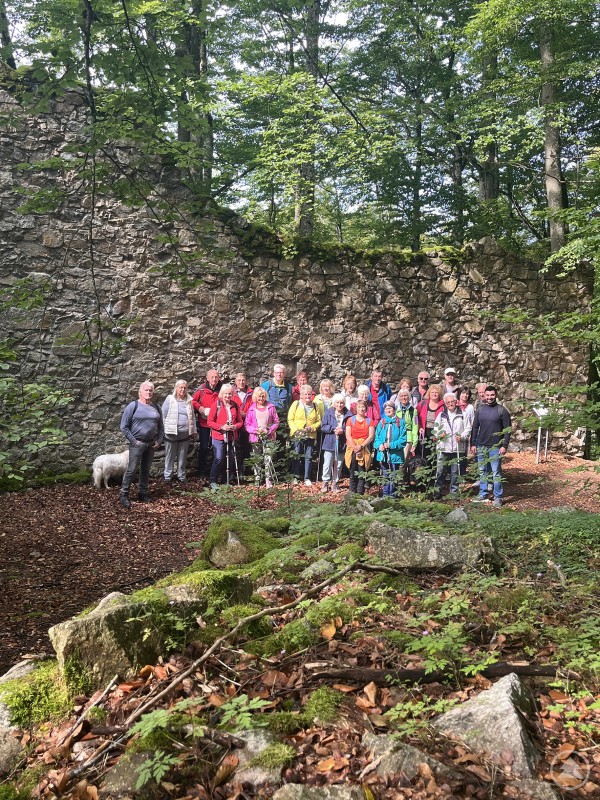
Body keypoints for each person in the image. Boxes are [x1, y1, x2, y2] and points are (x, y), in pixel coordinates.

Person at [119, 381, 164, 509]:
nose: (148, 392)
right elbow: (124, 427)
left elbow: (161, 427)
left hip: (151, 444)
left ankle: (142, 493)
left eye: (150, 390)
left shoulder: (156, 407)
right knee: (132, 469)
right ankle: (124, 494)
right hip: (137, 443)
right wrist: (134, 441)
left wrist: (159, 440)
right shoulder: (133, 406)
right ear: (140, 392)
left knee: (145, 469)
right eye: (146, 390)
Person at [470, 386, 512, 508]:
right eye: (487, 395)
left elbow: (507, 430)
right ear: (484, 396)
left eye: (492, 395)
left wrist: (504, 445)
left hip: (495, 447)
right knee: (482, 471)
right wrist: (473, 443)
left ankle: (498, 497)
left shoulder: (502, 410)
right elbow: (475, 427)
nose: (489, 397)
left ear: (496, 395)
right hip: (481, 446)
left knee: (496, 473)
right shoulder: (480, 410)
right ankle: (483, 494)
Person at [432, 392, 471, 499]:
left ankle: (454, 493)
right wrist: (440, 434)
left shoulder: (463, 414)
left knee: (455, 471)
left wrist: (462, 436)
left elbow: (468, 428)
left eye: (452, 401)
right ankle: (437, 492)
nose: (450, 404)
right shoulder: (441, 415)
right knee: (440, 471)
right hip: (443, 446)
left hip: (457, 447)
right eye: (447, 402)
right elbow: (435, 430)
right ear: (445, 403)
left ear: (455, 402)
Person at [207, 383, 243, 489]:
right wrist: (221, 427)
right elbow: (210, 421)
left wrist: (235, 427)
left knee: (231, 458)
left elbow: (240, 422)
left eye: (230, 394)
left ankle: (225, 480)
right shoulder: (217, 404)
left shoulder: (235, 405)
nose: (227, 396)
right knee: (219, 458)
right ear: (222, 394)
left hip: (231, 436)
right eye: (226, 394)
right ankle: (213, 480)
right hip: (218, 436)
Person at [244, 387, 280, 488]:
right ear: (255, 397)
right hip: (255, 437)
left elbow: (276, 421)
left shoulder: (271, 407)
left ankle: (268, 479)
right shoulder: (251, 409)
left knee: (268, 458)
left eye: (263, 396)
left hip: (269, 436)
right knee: (257, 458)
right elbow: (247, 424)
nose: (261, 398)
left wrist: (269, 430)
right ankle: (257, 478)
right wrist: (256, 431)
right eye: (259, 396)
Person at [162, 379, 196, 483]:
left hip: (185, 433)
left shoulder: (189, 401)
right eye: (181, 387)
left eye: (185, 388)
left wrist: (194, 430)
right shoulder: (170, 399)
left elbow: (192, 417)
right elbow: (163, 415)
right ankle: (168, 476)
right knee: (170, 455)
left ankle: (181, 476)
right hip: (171, 433)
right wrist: (164, 429)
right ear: (176, 388)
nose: (183, 389)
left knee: (182, 456)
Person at [288, 385, 322, 486]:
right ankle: (295, 476)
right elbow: (290, 419)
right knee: (297, 454)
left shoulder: (315, 406)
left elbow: (319, 421)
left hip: (310, 435)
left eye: (309, 394)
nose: (307, 396)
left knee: (308, 456)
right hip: (298, 435)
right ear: (301, 395)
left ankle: (306, 477)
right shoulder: (296, 404)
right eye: (305, 394)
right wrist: (296, 430)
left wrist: (313, 427)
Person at [192, 369, 222, 477]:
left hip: (217, 424)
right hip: (204, 423)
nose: (214, 379)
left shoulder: (221, 389)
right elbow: (193, 401)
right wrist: (200, 408)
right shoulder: (201, 390)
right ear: (208, 378)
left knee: (216, 448)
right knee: (204, 447)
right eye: (212, 377)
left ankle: (214, 472)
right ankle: (201, 471)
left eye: (216, 377)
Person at [374, 401, 407, 496]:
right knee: (385, 475)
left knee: (394, 476)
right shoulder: (382, 422)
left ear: (394, 409)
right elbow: (377, 438)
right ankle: (385, 496)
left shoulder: (400, 422)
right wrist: (379, 445)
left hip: (395, 455)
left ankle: (393, 497)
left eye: (390, 408)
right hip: (383, 455)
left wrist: (390, 445)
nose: (388, 410)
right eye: (386, 409)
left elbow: (403, 440)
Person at [345, 399, 375, 495]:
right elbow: (348, 435)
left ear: (366, 408)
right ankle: (352, 493)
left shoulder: (369, 421)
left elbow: (371, 437)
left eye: (363, 407)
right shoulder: (351, 420)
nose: (361, 409)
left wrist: (361, 447)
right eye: (359, 407)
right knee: (352, 471)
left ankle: (360, 494)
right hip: (352, 447)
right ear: (356, 408)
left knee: (362, 472)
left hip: (364, 448)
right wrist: (355, 447)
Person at [320, 393, 349, 493]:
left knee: (338, 464)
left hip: (341, 443)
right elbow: (323, 426)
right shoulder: (328, 413)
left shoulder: (348, 414)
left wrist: (343, 430)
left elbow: (350, 427)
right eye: (337, 402)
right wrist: (333, 429)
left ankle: (335, 483)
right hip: (329, 442)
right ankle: (325, 482)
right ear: (334, 403)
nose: (340, 405)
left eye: (342, 403)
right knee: (327, 464)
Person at [416, 383, 445, 460]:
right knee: (425, 454)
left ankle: (435, 472)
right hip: (424, 432)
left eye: (436, 392)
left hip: (437, 433)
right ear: (429, 393)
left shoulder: (443, 405)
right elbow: (415, 417)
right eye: (432, 392)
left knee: (435, 455)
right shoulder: (423, 404)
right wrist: (419, 427)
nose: (434, 394)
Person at [395, 387, 419, 481]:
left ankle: (400, 481)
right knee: (395, 459)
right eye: (401, 396)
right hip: (396, 437)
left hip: (408, 437)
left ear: (409, 397)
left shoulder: (414, 411)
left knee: (403, 460)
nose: (404, 398)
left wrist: (414, 442)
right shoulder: (396, 409)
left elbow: (415, 426)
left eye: (405, 396)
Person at [232, 372, 253, 472]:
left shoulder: (251, 393)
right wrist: (238, 413)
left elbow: (254, 407)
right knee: (234, 447)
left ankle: (246, 471)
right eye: (239, 380)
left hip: (247, 424)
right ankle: (235, 471)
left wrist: (247, 414)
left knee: (246, 448)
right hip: (235, 423)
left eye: (243, 380)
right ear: (235, 381)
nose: (241, 382)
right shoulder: (231, 392)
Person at [457, 386, 475, 476]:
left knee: (463, 455)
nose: (465, 395)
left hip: (465, 434)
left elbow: (472, 421)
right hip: (455, 433)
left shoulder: (470, 407)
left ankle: (462, 474)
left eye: (467, 393)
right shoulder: (454, 404)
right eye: (463, 393)